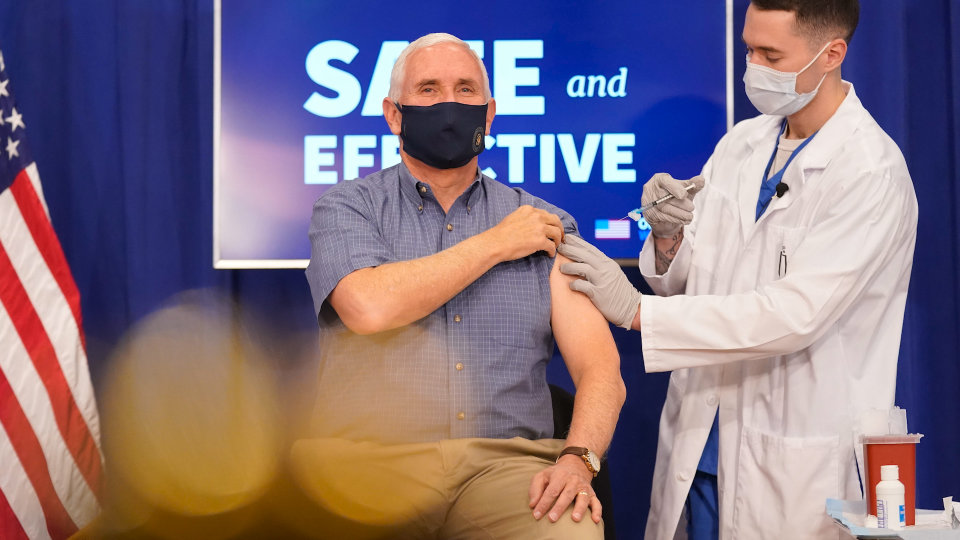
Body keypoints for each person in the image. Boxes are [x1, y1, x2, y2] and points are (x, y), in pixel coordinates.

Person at [557, 1, 917, 538]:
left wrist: (638, 312)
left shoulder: (870, 171)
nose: (754, 66)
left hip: (795, 454)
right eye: (749, 48)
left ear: (832, 54)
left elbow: (793, 317)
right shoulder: (743, 145)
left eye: (771, 54)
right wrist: (670, 235)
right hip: (701, 440)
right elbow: (696, 278)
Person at [299, 32, 625, 539]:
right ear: (393, 113)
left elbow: (600, 368)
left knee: (570, 530)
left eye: (465, 90)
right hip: (366, 467)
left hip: (509, 470)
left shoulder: (546, 223)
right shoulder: (347, 207)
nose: (449, 104)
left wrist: (578, 462)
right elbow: (367, 307)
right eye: (428, 89)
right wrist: (496, 243)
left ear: (489, 114)